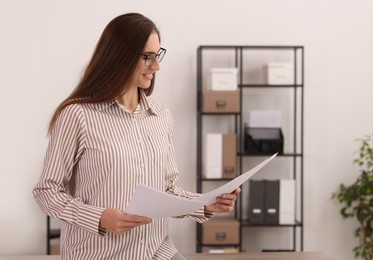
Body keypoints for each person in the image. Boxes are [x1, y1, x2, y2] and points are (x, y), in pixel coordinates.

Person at [32, 13, 240, 260]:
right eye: (147, 57)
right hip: (99, 254)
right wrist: (99, 218)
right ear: (119, 56)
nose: (157, 66)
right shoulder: (77, 115)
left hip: (157, 251)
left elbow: (165, 190)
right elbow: (46, 190)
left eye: (157, 54)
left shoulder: (160, 116)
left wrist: (204, 204)